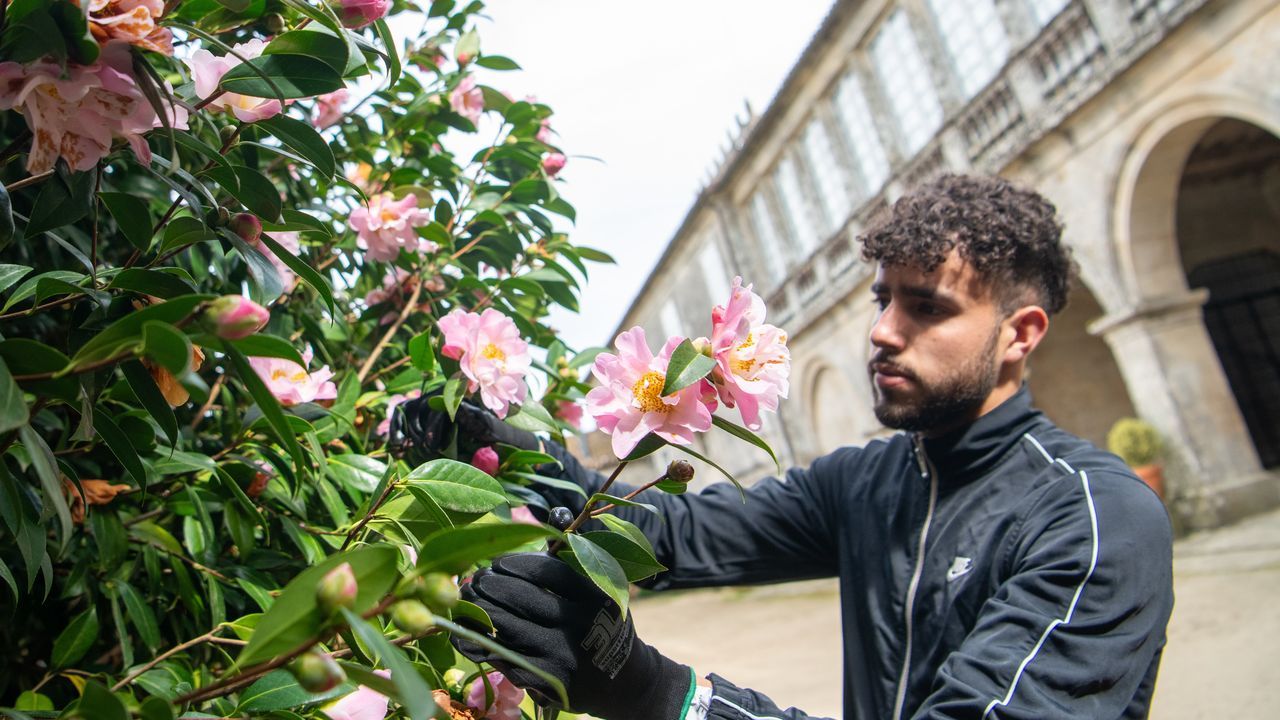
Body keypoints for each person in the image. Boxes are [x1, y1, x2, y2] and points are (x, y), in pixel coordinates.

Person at [402, 174, 1175, 719]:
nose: (881, 330)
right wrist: (511, 457)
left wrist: (656, 694)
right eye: (882, 299)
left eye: (926, 307)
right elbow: (672, 536)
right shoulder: (866, 481)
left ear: (1020, 334)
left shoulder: (1096, 520)